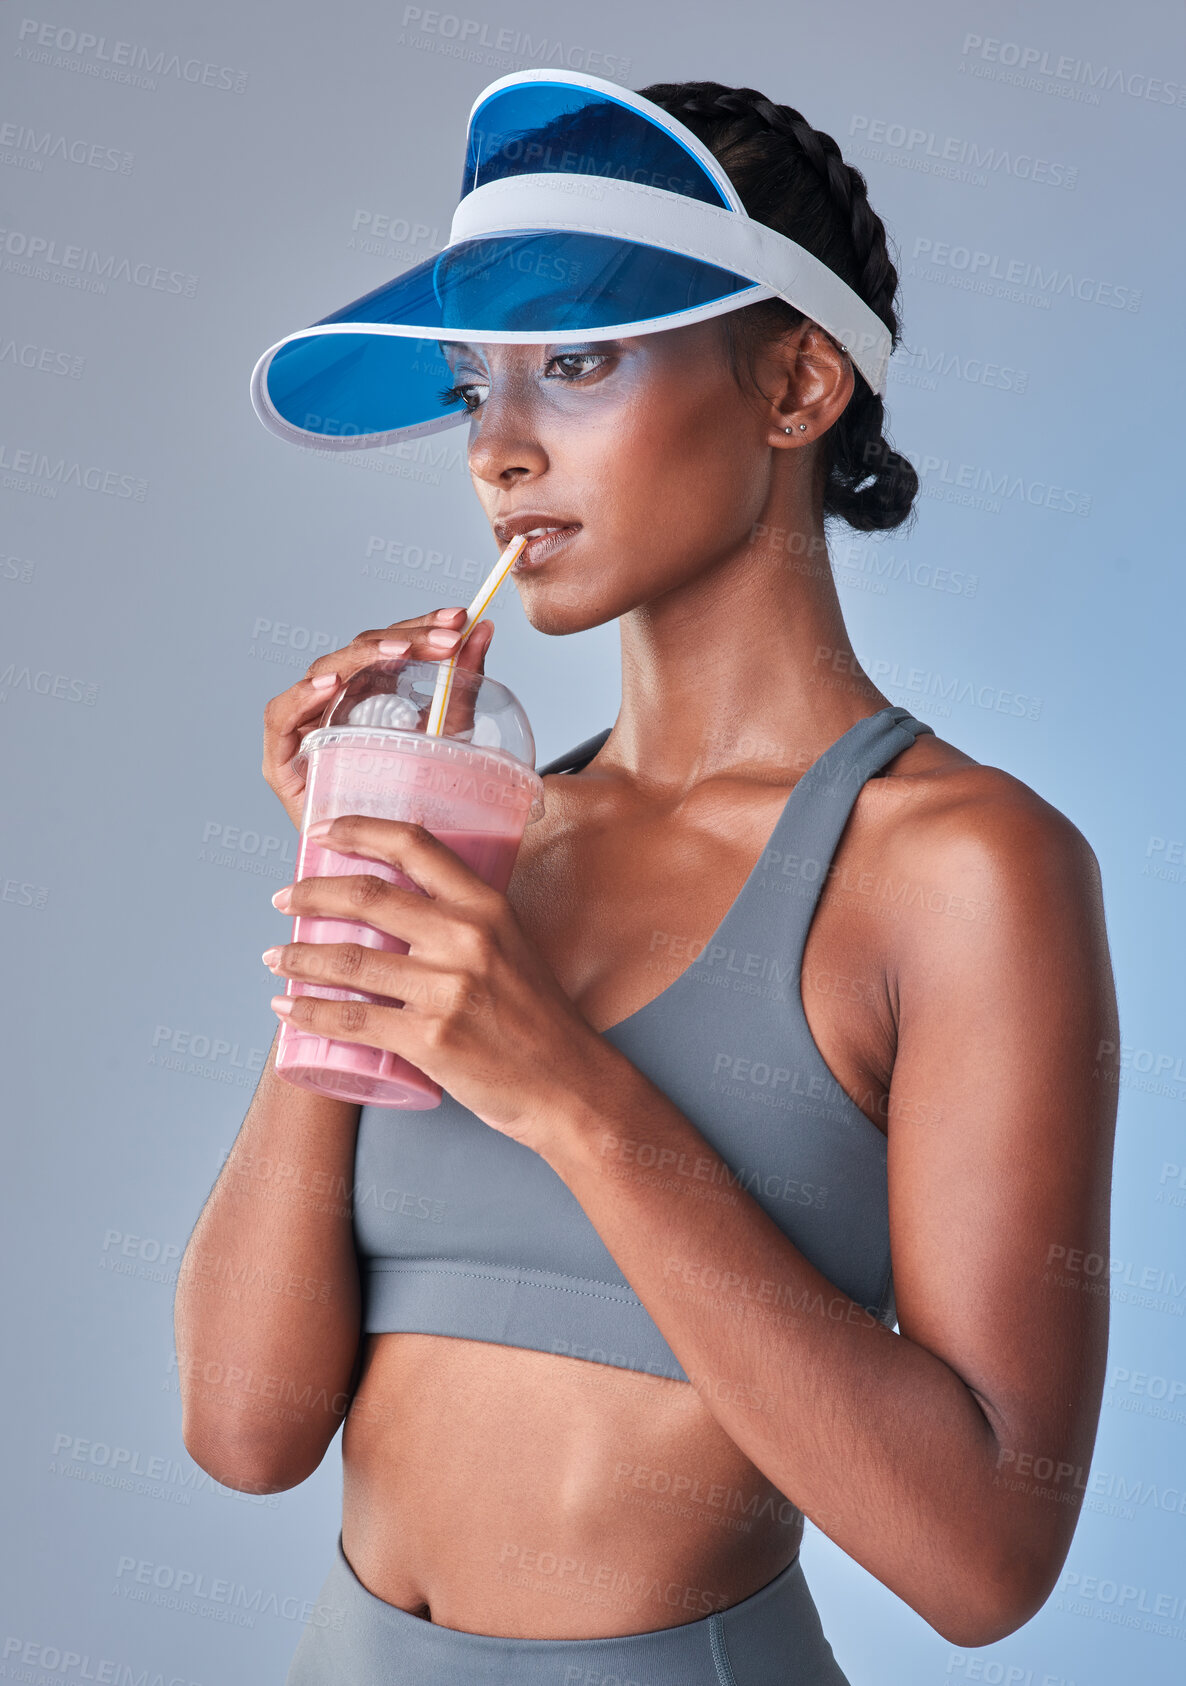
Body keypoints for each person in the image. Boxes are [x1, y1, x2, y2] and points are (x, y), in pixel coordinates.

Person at [174, 71, 1119, 1685]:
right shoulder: (483, 841)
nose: (500, 451)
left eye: (582, 364)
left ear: (796, 385)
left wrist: (562, 1087)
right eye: (477, 389)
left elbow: (982, 1560)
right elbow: (243, 1429)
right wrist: (353, 879)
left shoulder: (960, 870)